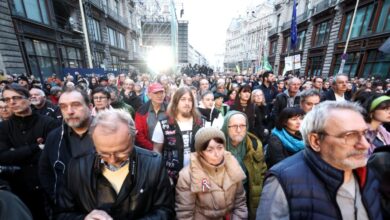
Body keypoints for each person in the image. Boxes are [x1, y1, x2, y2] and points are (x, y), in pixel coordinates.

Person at [257, 101, 382, 220]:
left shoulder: (369, 173)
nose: (365, 145)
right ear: (316, 141)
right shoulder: (283, 182)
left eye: (365, 133)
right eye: (350, 135)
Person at [56, 109, 175, 219]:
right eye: (103, 153)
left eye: (121, 152)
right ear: (94, 142)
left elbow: (165, 210)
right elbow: (61, 213)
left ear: (133, 138)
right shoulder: (76, 167)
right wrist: (84, 218)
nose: (112, 160)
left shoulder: (153, 164)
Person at [0, 84, 58, 220]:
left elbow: (52, 155)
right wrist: (35, 148)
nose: (11, 102)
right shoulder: (3, 128)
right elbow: (2, 157)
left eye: (16, 98)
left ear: (29, 99)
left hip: (48, 188)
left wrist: (15, 153)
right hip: (19, 189)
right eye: (7, 100)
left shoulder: (48, 123)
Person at [39, 88, 95, 209]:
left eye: (76, 105)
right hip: (69, 210)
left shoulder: (110, 133)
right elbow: (46, 172)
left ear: (90, 107)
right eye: (64, 107)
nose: (69, 111)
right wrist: (57, 200)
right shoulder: (54, 137)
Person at [175, 127, 248, 219]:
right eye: (210, 150)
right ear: (200, 152)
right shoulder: (187, 176)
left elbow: (240, 203)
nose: (217, 154)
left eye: (220, 148)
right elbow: (185, 214)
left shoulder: (232, 164)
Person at [152, 86, 205, 184]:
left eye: (190, 100)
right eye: (183, 99)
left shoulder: (201, 122)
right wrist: (161, 174)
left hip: (197, 174)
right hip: (172, 177)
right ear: (176, 102)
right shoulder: (163, 124)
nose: (187, 103)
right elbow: (156, 151)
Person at [221, 111, 267, 219]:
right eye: (234, 126)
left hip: (249, 192)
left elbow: (262, 171)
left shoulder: (255, 144)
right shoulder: (217, 145)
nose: (238, 130)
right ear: (226, 127)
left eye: (242, 126)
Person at [135, 83, 167, 150]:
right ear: (149, 95)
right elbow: (139, 134)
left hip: (168, 149)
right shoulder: (142, 111)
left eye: (161, 93)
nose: (160, 96)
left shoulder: (170, 109)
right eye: (156, 93)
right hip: (149, 150)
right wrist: (153, 148)